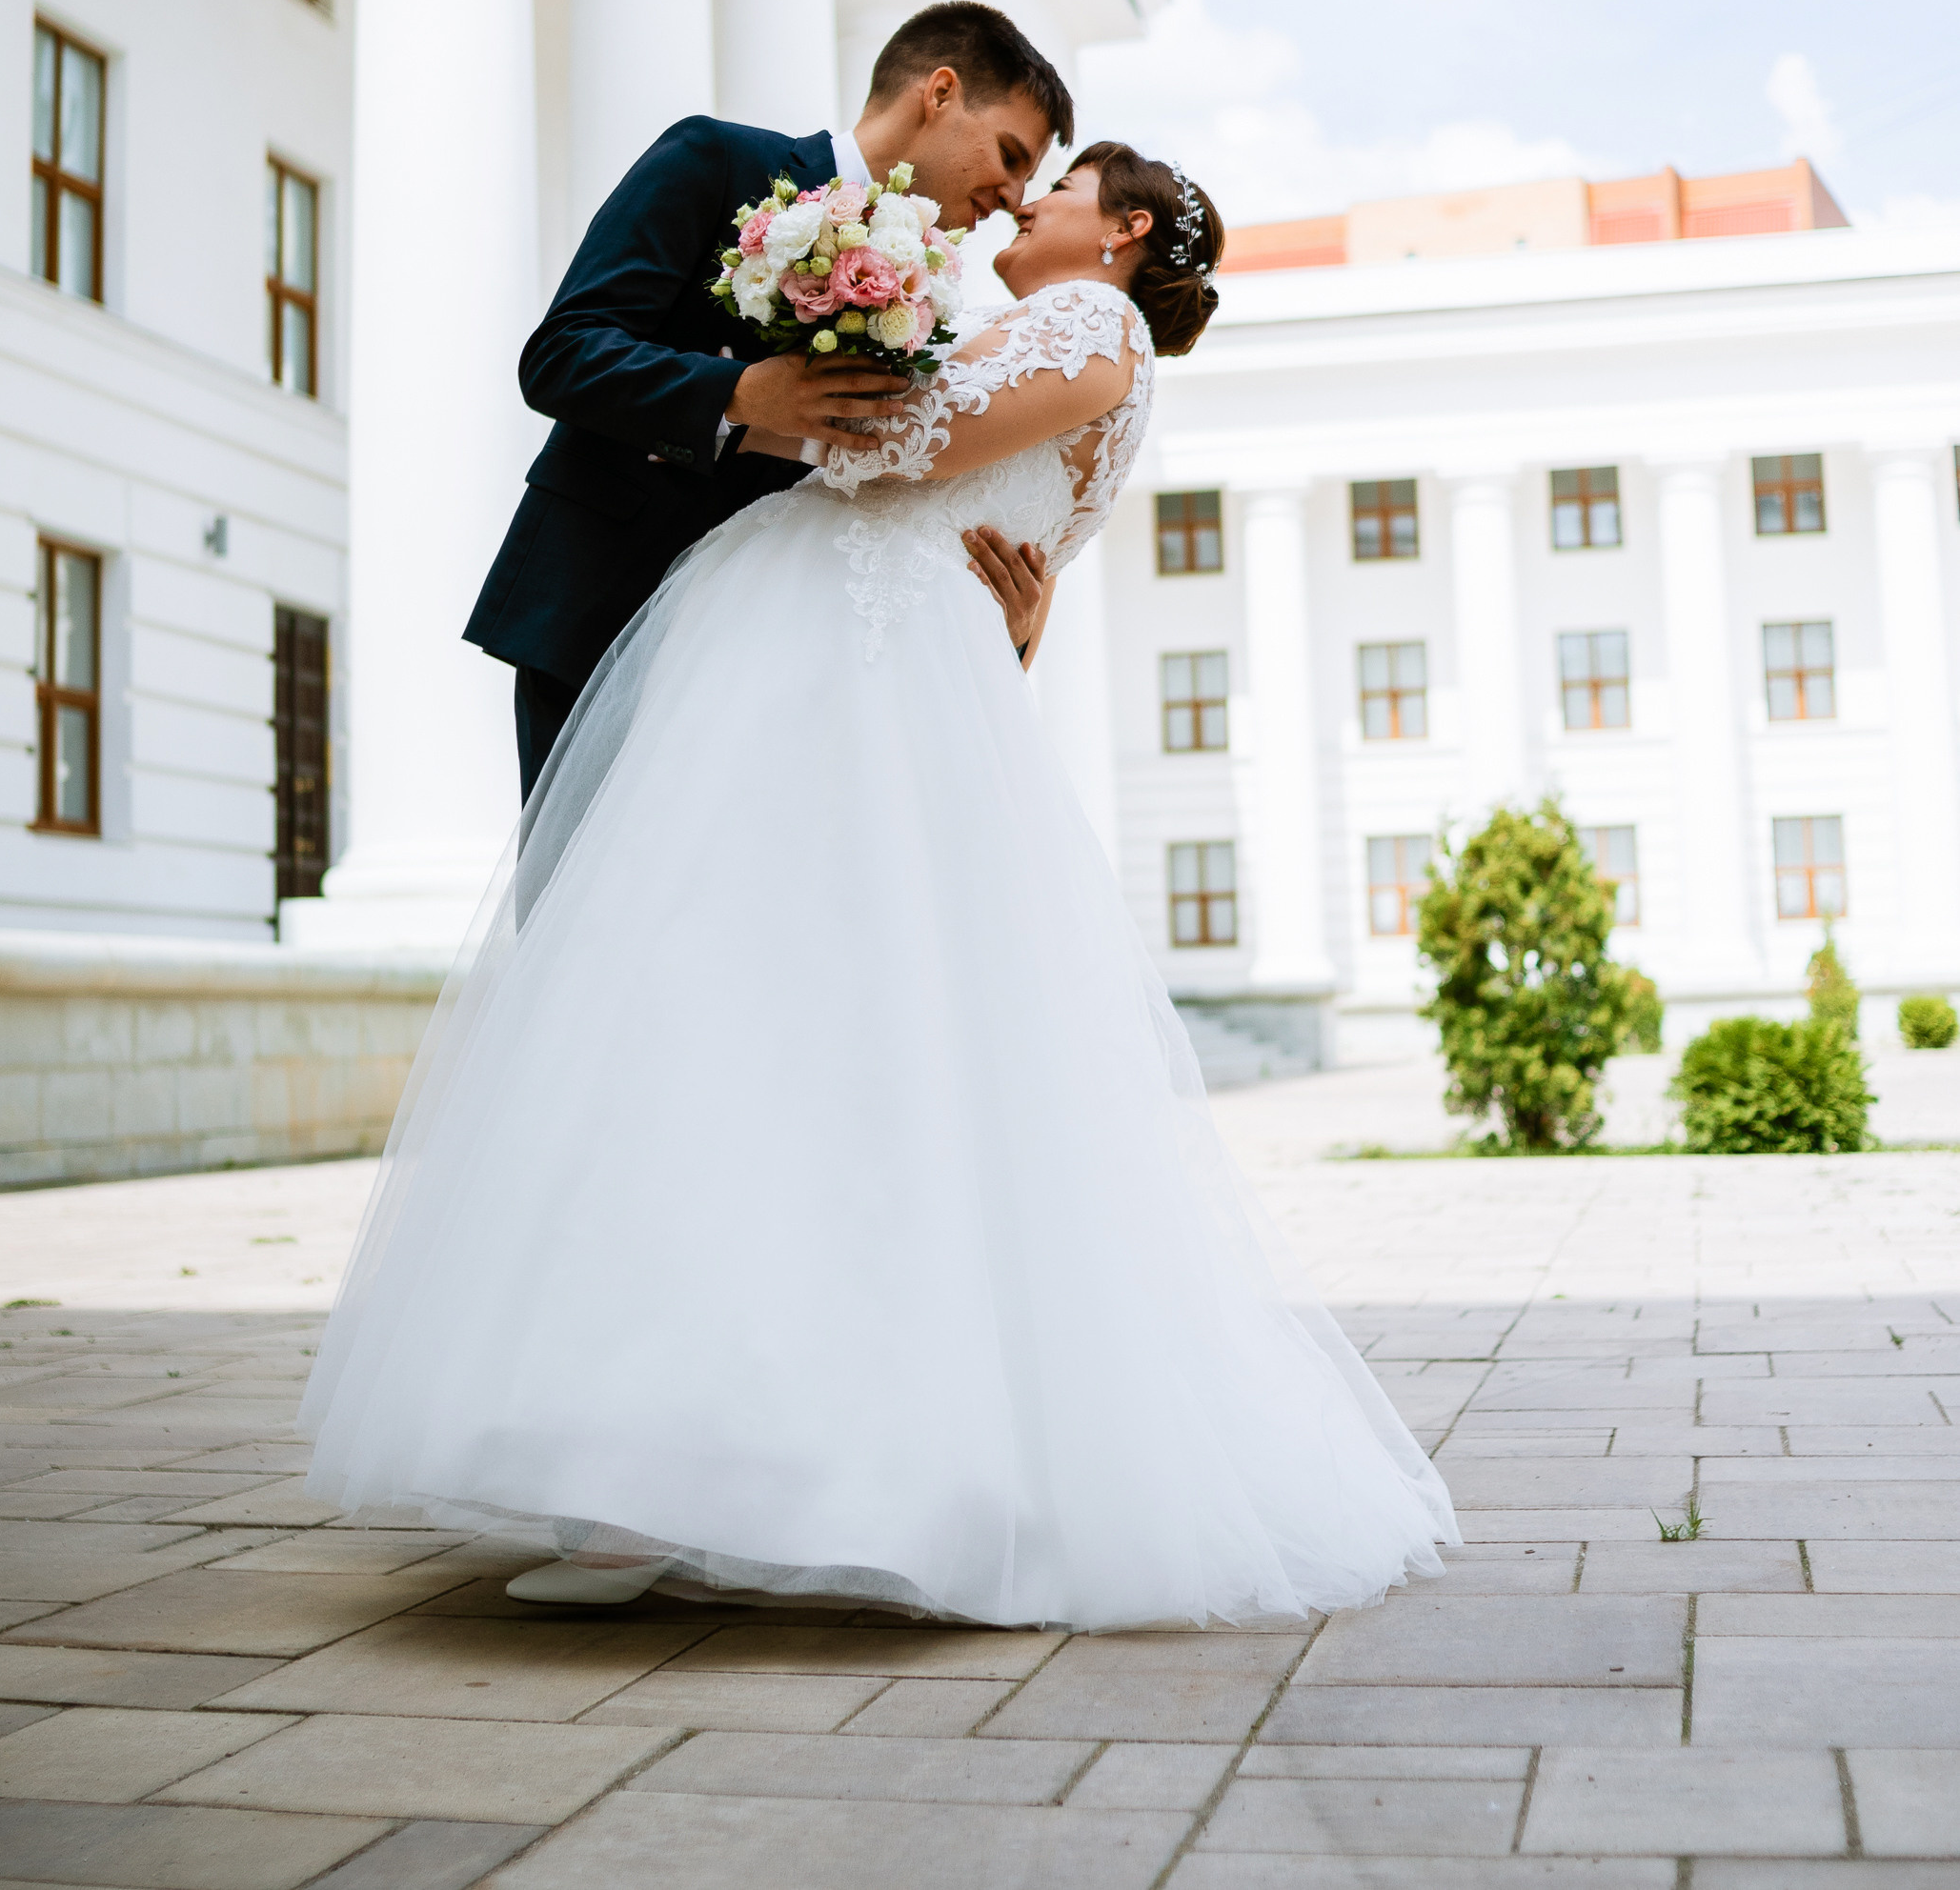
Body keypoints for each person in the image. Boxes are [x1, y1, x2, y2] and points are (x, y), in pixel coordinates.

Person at [301, 145, 1458, 1629]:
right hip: (804, 670)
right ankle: (668, 1450)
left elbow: (907, 456)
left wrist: (807, 383)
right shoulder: (1040, 329)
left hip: (845, 692)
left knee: (803, 1045)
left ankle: (814, 1466)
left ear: (1114, 234)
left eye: (1055, 189)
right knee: (729, 1045)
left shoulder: (1093, 331)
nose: (1021, 205)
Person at [465, 0, 1075, 801]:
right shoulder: (713, 160)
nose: (1010, 196)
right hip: (606, 613)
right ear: (940, 91)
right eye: (1008, 152)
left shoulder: (936, 302)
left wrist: (1004, 628)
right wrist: (745, 393)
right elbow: (561, 355)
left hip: (784, 672)